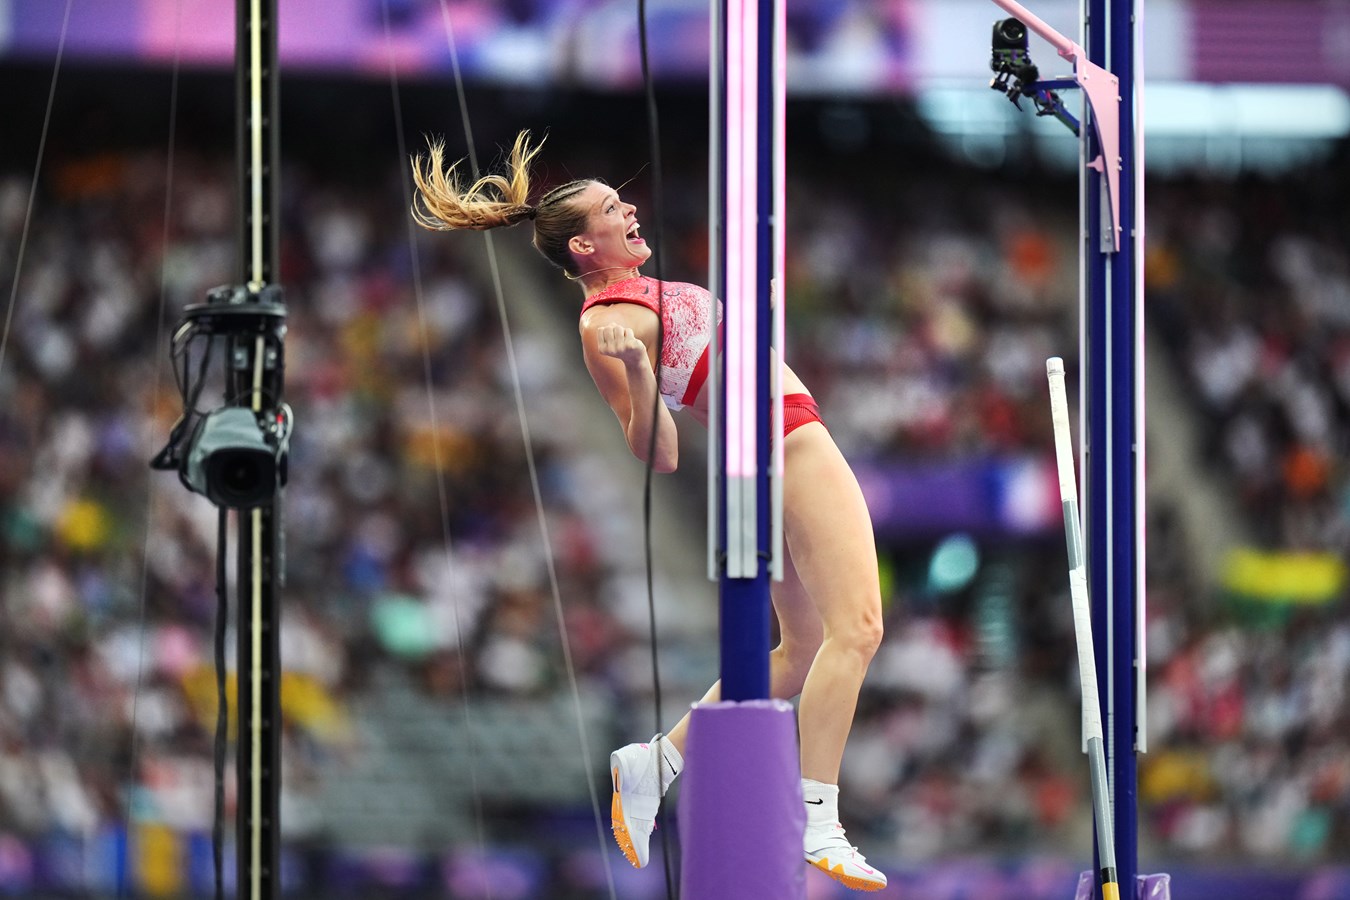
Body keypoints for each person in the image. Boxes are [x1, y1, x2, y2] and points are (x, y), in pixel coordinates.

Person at [411, 131, 888, 892]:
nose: (628, 206)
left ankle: (656, 760)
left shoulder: (639, 298)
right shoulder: (610, 324)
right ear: (582, 249)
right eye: (609, 207)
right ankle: (819, 814)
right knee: (858, 630)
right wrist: (637, 373)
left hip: (773, 452)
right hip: (789, 445)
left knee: (799, 652)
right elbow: (658, 450)